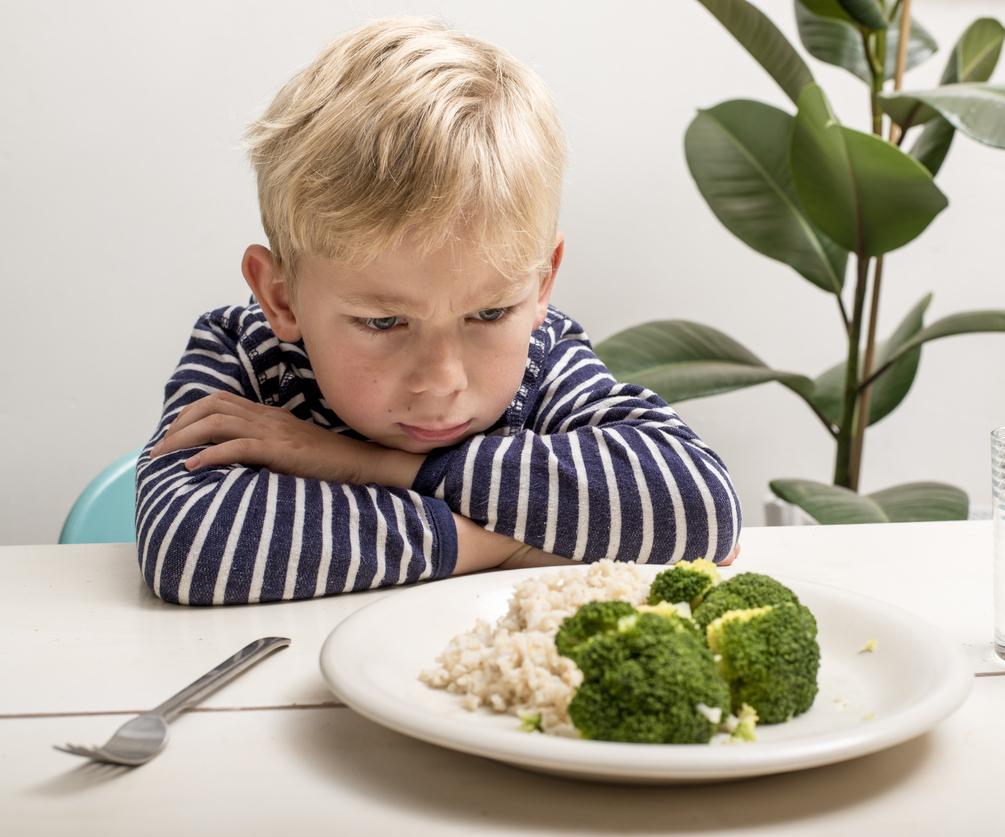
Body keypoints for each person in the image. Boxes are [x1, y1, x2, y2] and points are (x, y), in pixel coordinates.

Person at [136, 17, 741, 606]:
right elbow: (193, 548)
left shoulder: (543, 357)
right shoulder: (244, 353)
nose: (442, 381)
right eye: (382, 322)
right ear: (281, 297)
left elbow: (702, 505)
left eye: (488, 315)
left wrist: (367, 465)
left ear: (541, 282)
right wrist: (497, 546)